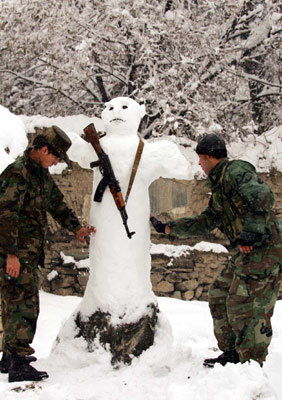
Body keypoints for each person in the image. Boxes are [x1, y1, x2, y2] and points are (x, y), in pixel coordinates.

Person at [150, 133, 282, 368]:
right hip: (248, 252)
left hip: (266, 249)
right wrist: (169, 227)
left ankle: (250, 363)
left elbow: (263, 198)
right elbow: (207, 221)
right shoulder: (220, 186)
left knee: (244, 303)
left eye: (201, 159)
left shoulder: (235, 172)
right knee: (219, 295)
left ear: (210, 157)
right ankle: (232, 353)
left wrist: (251, 230)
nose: (199, 164)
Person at [0, 125, 95, 382]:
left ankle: (9, 357)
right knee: (24, 306)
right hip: (14, 254)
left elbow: (56, 203)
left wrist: (76, 228)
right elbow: (5, 215)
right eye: (54, 157)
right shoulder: (18, 173)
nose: (55, 163)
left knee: (15, 304)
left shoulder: (39, 174)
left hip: (27, 254)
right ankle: (19, 362)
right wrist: (10, 254)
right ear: (43, 149)